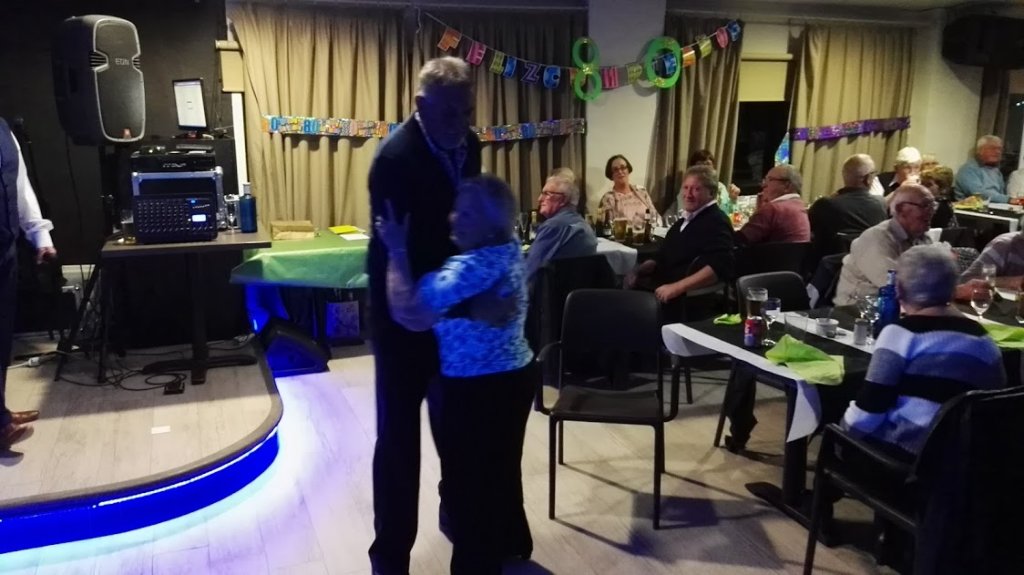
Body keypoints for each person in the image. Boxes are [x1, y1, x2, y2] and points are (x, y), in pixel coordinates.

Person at [376, 175, 534, 575]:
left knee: (468, 489)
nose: (453, 219)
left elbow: (409, 311)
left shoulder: (468, 270)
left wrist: (396, 248)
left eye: (467, 214)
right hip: (516, 377)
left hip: (477, 389)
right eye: (456, 210)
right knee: (499, 473)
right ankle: (510, 545)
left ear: (493, 224)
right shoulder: (509, 250)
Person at [365, 56, 481, 575]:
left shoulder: (471, 144)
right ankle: (390, 559)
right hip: (401, 316)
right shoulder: (394, 160)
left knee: (458, 431)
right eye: (449, 113)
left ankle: (458, 521)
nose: (460, 124)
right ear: (420, 105)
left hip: (454, 313)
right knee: (398, 442)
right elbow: (399, 256)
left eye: (467, 111)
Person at [841, 245, 1005, 454]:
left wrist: (840, 434)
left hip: (905, 457)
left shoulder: (901, 334)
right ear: (952, 289)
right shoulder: (983, 339)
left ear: (899, 289)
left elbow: (868, 414)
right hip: (965, 459)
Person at [1, 118, 56, 451]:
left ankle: (1, 415)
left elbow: (19, 186)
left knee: (1, 337)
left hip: (4, 248)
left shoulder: (3, 130)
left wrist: (40, 235)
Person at [626, 165, 733, 321]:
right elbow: (662, 256)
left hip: (684, 300)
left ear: (711, 193)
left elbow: (718, 267)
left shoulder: (717, 221)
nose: (688, 194)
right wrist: (638, 271)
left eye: (696, 189)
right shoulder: (684, 221)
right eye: (686, 188)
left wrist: (676, 288)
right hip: (660, 289)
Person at [834, 184, 936, 305]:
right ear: (901, 209)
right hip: (857, 310)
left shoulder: (922, 237)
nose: (932, 210)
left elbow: (935, 275)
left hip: (900, 307)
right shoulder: (876, 239)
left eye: (933, 205)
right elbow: (896, 286)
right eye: (925, 205)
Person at [807, 154, 888, 259]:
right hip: (868, 264)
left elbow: (807, 231)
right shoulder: (880, 204)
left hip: (831, 266)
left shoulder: (825, 204)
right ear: (868, 179)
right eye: (874, 174)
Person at [525, 173, 596, 279]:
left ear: (563, 199)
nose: (539, 199)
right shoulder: (585, 226)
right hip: (578, 289)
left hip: (551, 289)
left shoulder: (553, 227)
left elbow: (531, 272)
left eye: (546, 194)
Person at [734, 163, 810, 245]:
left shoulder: (773, 209)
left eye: (770, 180)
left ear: (787, 186)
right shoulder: (800, 206)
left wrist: (761, 211)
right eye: (765, 180)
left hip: (770, 253)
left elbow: (740, 240)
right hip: (793, 253)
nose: (763, 185)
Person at [598, 154, 659, 227]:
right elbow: (606, 226)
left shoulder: (642, 192)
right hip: (624, 234)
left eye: (623, 167)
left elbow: (655, 216)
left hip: (649, 232)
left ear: (628, 170)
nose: (620, 171)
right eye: (615, 170)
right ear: (611, 175)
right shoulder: (607, 198)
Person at [686, 149, 741, 217]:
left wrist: (733, 199)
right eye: (700, 165)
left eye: (708, 164)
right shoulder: (688, 190)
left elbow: (729, 213)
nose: (705, 169)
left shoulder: (720, 187)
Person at [955, 135, 1008, 202]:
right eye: (992, 148)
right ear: (980, 150)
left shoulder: (996, 171)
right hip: (972, 207)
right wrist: (1008, 199)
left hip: (995, 206)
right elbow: (979, 194)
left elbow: (1001, 194)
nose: (998, 152)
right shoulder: (968, 170)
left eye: (1000, 149)